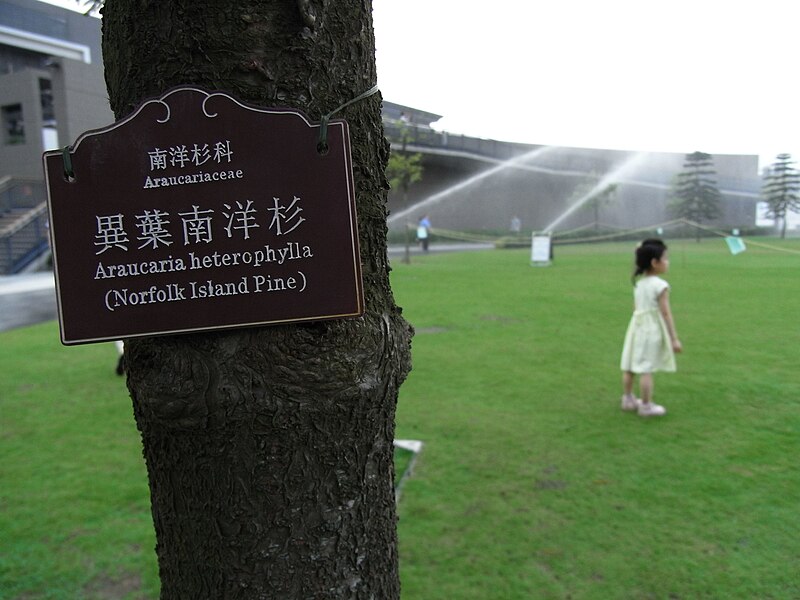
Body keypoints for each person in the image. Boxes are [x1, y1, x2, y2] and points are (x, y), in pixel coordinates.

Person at [619, 239, 682, 417]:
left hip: (636, 326)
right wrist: (674, 338)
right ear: (655, 263)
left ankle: (628, 399)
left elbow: (636, 307)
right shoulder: (660, 285)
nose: (668, 262)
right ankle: (646, 406)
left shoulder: (639, 283)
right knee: (646, 368)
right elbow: (666, 313)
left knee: (630, 365)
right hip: (651, 328)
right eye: (665, 258)